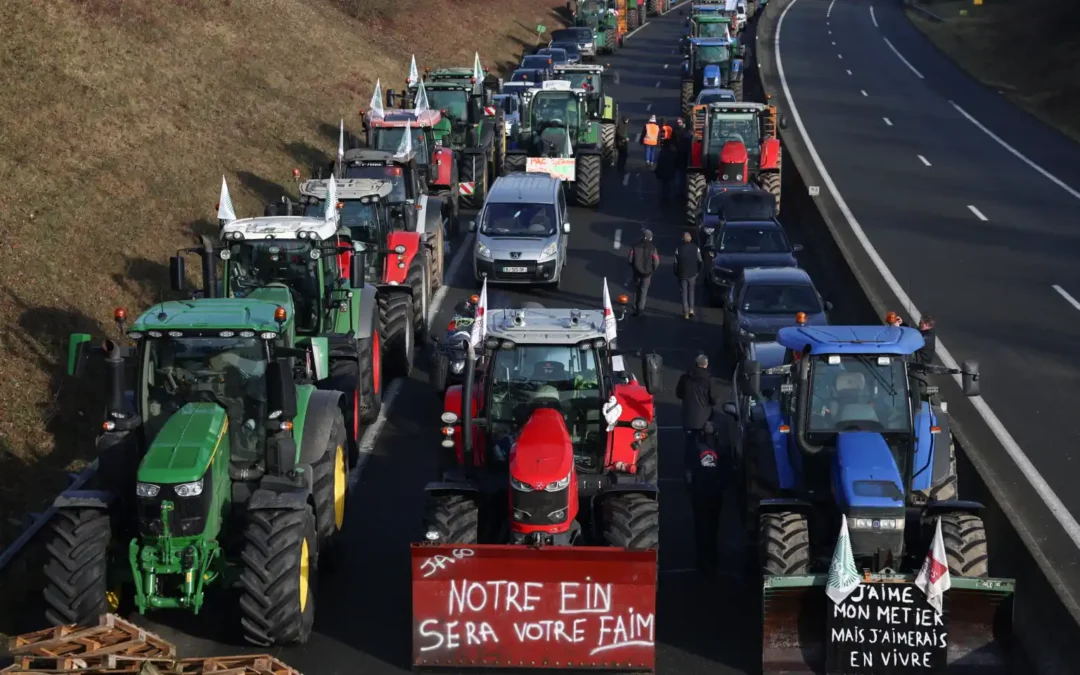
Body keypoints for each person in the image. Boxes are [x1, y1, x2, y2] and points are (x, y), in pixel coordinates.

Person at [687, 420, 731, 576]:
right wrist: (722, 487)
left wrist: (691, 488)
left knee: (702, 528)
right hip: (713, 493)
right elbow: (727, 472)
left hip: (701, 493)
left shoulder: (695, 448)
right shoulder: (721, 449)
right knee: (712, 529)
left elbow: (689, 471)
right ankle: (712, 562)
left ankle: (702, 562)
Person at [676, 354, 724, 457]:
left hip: (688, 418)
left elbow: (679, 394)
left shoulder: (685, 378)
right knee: (706, 441)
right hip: (705, 419)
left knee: (690, 443)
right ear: (706, 364)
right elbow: (714, 399)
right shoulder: (709, 380)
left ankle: (689, 465)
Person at [627, 229, 660, 315]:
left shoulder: (634, 246)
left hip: (636, 272)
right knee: (643, 291)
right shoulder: (653, 248)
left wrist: (634, 267)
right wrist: (652, 270)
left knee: (636, 290)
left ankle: (635, 307)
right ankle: (640, 309)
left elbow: (630, 259)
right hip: (647, 274)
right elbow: (656, 261)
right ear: (651, 238)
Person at [674, 231, 703, 319]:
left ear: (683, 239)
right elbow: (700, 261)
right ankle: (691, 309)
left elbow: (675, 262)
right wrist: (698, 271)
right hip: (693, 273)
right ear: (690, 239)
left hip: (682, 274)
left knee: (684, 292)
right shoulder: (696, 248)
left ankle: (685, 312)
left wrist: (676, 272)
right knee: (691, 291)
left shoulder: (678, 249)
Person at [655, 139, 679, 203]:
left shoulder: (662, 153)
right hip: (670, 171)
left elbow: (659, 163)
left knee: (664, 185)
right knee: (667, 185)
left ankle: (664, 197)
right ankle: (666, 197)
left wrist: (657, 171)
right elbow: (676, 162)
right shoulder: (673, 153)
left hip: (663, 172)